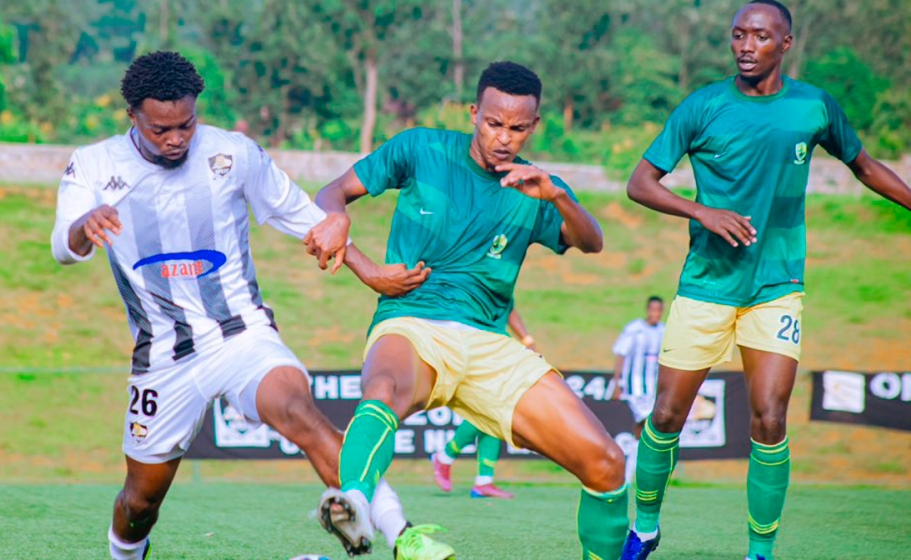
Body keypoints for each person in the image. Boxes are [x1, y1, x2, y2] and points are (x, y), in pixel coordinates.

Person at [50, 51, 444, 560]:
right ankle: (126, 554)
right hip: (163, 357)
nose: (175, 138)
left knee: (300, 411)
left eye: (186, 124)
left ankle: (402, 536)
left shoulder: (233, 154)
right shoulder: (94, 165)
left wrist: (368, 271)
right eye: (159, 129)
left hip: (241, 335)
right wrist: (85, 227)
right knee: (140, 500)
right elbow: (63, 246)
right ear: (132, 117)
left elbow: (308, 218)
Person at [620, 2, 911, 559]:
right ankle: (647, 528)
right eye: (737, 35)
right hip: (705, 285)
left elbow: (866, 166)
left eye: (759, 35)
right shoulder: (702, 106)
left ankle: (760, 552)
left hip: (777, 286)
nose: (745, 46)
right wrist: (701, 211)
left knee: (770, 419)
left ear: (786, 43)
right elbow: (640, 183)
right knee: (664, 416)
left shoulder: (813, 106)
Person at [304, 61, 629, 560]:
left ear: (534, 126)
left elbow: (592, 242)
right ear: (475, 112)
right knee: (384, 389)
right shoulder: (420, 148)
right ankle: (355, 504)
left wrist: (559, 196)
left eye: (518, 128)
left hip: (489, 344)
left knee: (606, 464)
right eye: (494, 123)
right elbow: (334, 193)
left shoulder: (537, 187)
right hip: (411, 319)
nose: (504, 137)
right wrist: (353, 247)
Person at [431, 309, 539, 499]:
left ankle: (483, 481)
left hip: (494, 347)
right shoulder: (469, 285)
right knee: (491, 409)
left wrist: (527, 340)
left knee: (495, 413)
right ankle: (445, 456)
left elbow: (508, 307)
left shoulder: (494, 285)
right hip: (471, 348)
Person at [610, 296, 665, 483]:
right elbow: (621, 354)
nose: (655, 314)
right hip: (635, 389)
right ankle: (630, 475)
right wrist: (617, 383)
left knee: (645, 433)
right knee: (644, 428)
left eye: (659, 310)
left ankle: (634, 473)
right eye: (653, 309)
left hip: (653, 390)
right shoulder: (635, 329)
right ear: (647, 309)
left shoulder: (663, 331)